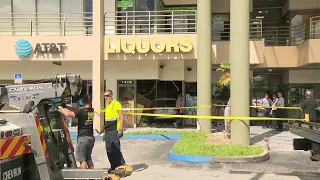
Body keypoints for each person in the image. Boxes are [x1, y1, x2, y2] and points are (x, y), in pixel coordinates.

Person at [58, 94, 95, 169]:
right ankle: (92, 175)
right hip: (91, 138)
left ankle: (84, 177)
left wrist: (59, 106)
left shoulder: (81, 112)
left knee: (82, 160)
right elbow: (77, 109)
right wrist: (66, 107)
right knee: (88, 158)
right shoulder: (91, 110)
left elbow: (67, 114)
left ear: (83, 101)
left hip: (83, 138)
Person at [103, 89, 126, 172]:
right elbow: (107, 120)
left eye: (107, 96)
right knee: (108, 150)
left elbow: (122, 116)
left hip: (114, 131)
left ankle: (122, 166)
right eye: (105, 96)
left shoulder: (116, 104)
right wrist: (104, 132)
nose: (106, 98)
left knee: (116, 149)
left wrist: (121, 129)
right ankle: (113, 166)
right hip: (108, 131)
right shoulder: (108, 106)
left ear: (111, 96)